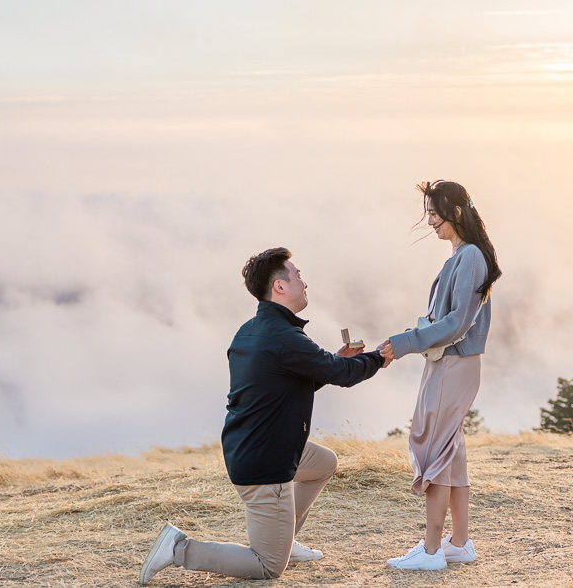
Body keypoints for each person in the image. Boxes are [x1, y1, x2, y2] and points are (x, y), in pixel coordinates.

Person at [139, 247, 390, 585]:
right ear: (280, 287)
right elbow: (341, 374)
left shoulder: (253, 330)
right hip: (265, 462)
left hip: (254, 446)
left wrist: (334, 360)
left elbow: (285, 382)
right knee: (268, 567)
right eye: (298, 275)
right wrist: (377, 358)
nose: (304, 281)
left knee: (324, 463)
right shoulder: (284, 337)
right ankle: (179, 549)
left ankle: (285, 537)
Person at [380, 180, 501, 571]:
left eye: (434, 213)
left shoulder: (469, 258)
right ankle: (459, 544)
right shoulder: (465, 255)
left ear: (457, 212)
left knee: (433, 451)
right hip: (453, 363)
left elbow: (455, 323)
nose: (429, 221)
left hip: (453, 362)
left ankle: (431, 551)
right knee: (451, 453)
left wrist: (405, 342)